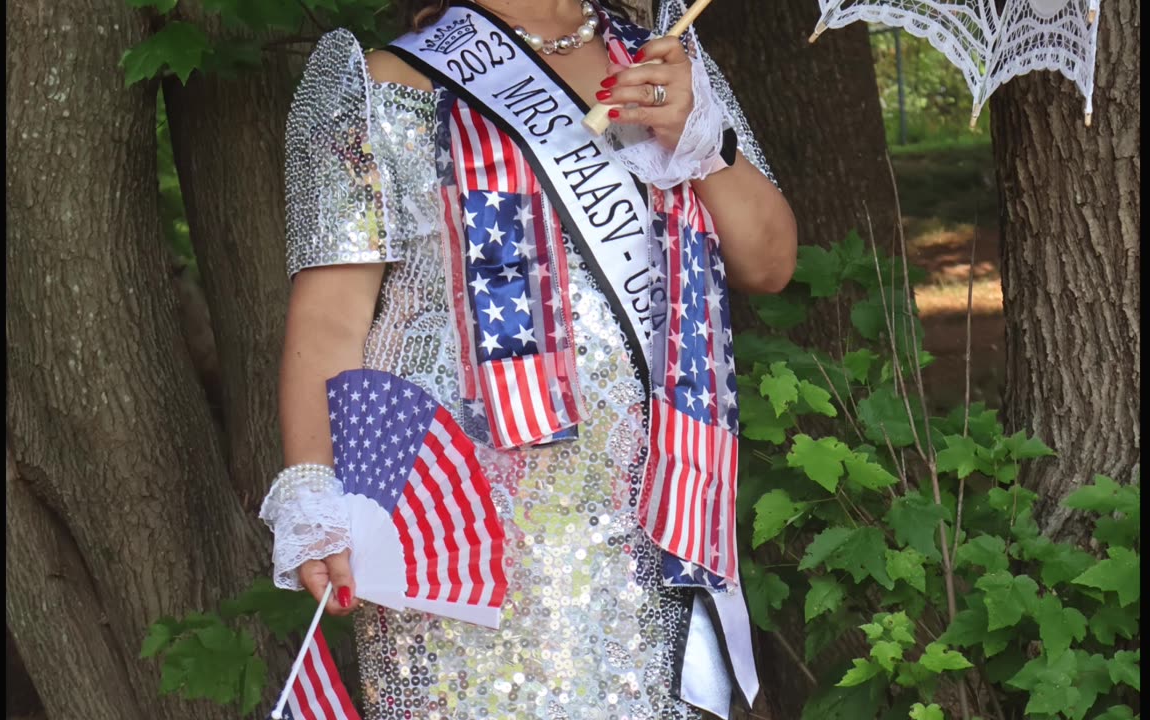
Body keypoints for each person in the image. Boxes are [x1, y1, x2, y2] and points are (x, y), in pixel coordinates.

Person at [259, 1, 797, 717]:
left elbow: (770, 264)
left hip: (654, 514)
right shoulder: (382, 82)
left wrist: (704, 144)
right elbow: (328, 320)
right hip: (456, 536)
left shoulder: (664, 59)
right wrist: (311, 493)